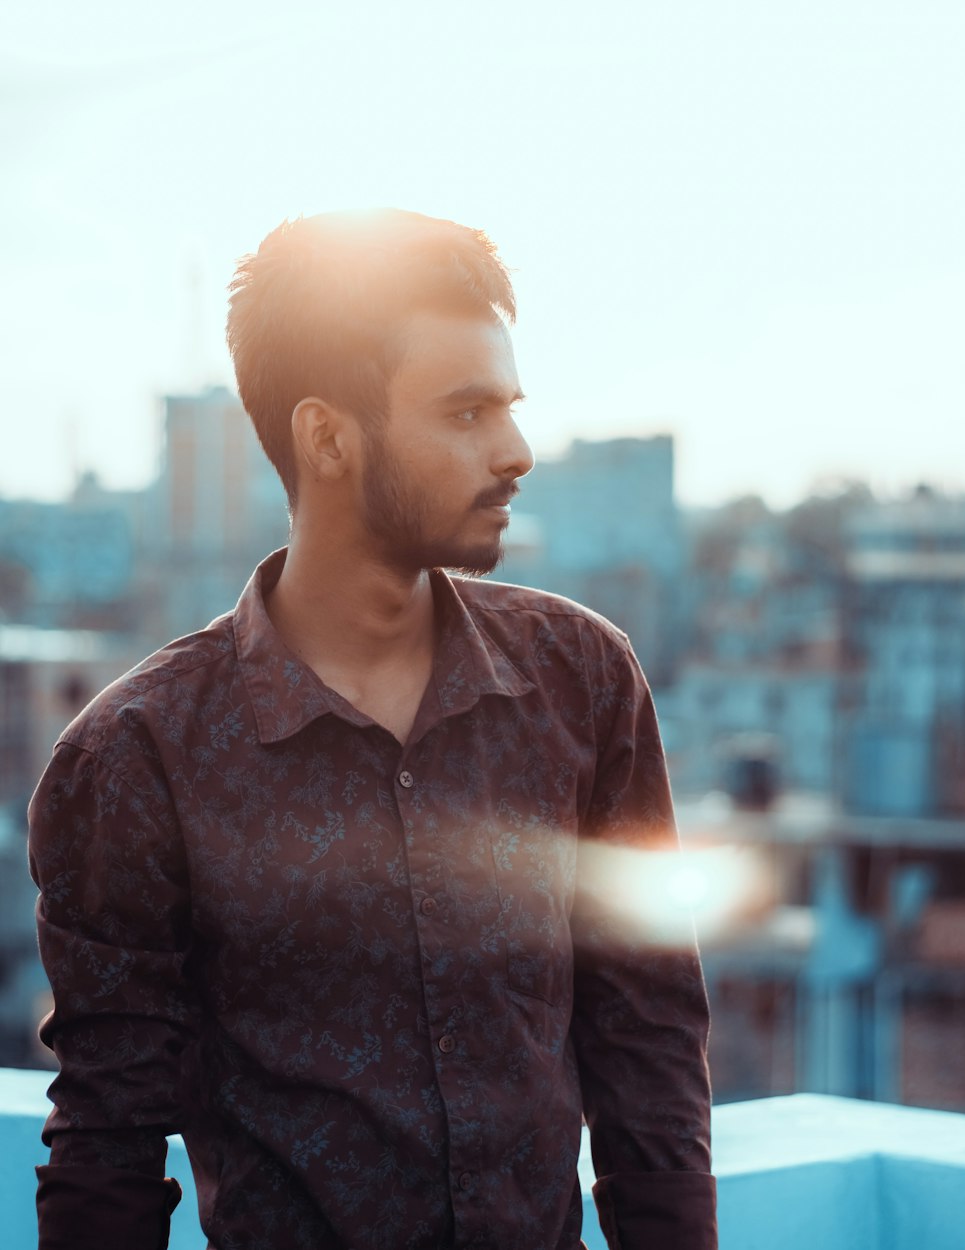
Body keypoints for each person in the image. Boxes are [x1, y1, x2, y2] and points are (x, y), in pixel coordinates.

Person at [28, 209, 717, 1250]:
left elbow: (647, 1038)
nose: (517, 449)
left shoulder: (582, 678)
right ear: (327, 437)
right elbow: (107, 1139)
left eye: (510, 406)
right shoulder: (137, 754)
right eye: (467, 411)